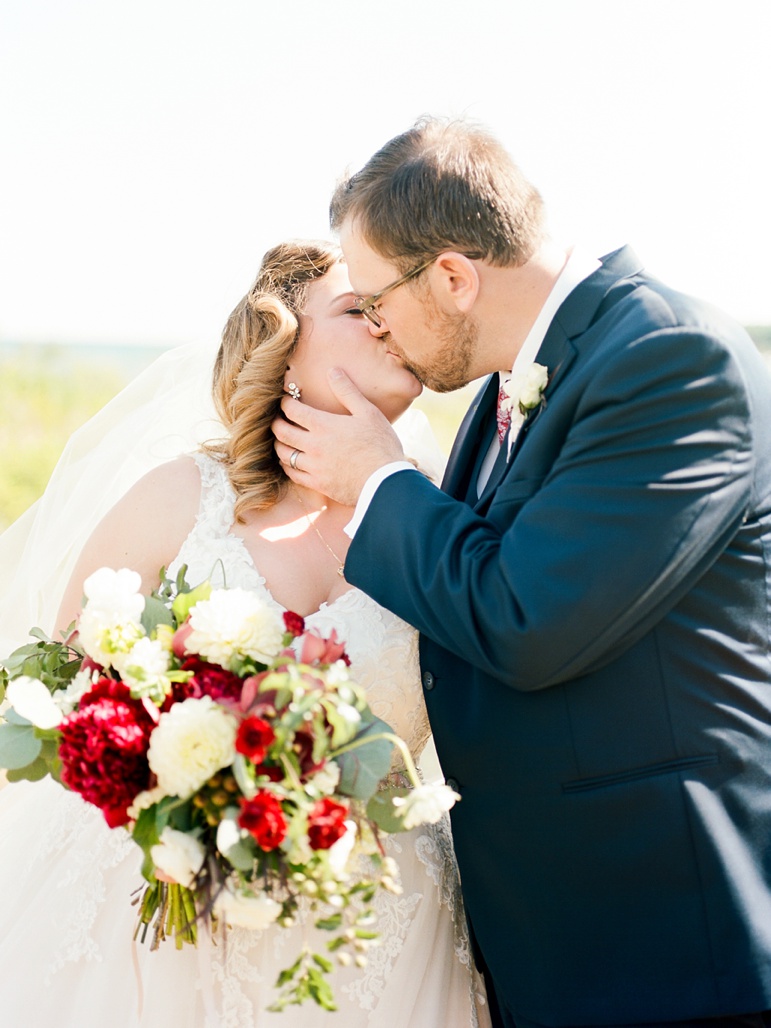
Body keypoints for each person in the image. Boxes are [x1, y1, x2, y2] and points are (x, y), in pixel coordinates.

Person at [271, 118, 771, 1028]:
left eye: (377, 299)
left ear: (454, 277)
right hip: (554, 937)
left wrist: (376, 481)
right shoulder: (506, 388)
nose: (377, 326)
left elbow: (527, 619)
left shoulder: (667, 359)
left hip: (664, 941)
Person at [0, 240, 490, 1027]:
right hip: (165, 906)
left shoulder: (446, 522)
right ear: (283, 350)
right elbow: (63, 700)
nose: (388, 322)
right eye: (358, 310)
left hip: (369, 927)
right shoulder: (179, 498)